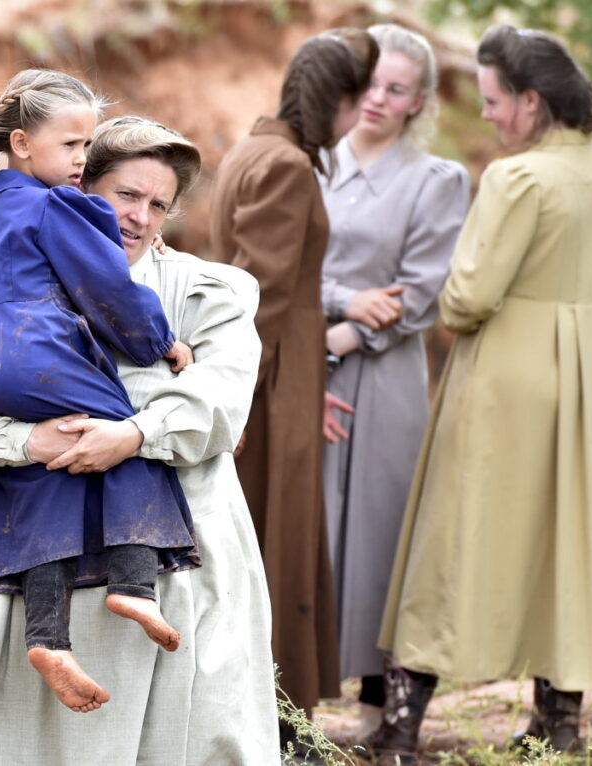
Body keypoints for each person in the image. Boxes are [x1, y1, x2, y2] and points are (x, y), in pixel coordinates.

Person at [0, 116, 280, 765]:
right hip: (22, 549)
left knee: (186, 734)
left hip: (178, 556)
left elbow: (222, 398)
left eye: (158, 203)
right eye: (125, 195)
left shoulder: (208, 294)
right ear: (76, 191)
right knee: (23, 738)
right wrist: (27, 441)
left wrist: (137, 433)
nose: (140, 216)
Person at [367, 24, 592, 763]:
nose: (488, 116)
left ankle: (401, 730)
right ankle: (558, 725)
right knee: (569, 533)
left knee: (456, 531)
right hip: (588, 372)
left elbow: (466, 298)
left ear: (532, 101)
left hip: (502, 375)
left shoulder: (516, 178)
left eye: (495, 102)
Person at [0, 69, 199, 715]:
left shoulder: (3, 199)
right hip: (40, 355)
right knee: (124, 434)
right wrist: (159, 343)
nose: (83, 159)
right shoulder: (58, 205)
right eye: (72, 145)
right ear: (23, 142)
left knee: (51, 471)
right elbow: (108, 289)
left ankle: (48, 638)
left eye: (87, 147)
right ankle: (136, 583)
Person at [209, 27, 379, 734]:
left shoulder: (251, 151)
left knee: (264, 543)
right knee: (281, 542)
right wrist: (242, 402)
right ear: (336, 102)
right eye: (357, 103)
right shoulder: (285, 167)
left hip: (283, 373)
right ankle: (279, 720)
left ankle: (270, 715)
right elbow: (265, 296)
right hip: (271, 385)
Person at [318, 23, 470, 743]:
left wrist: (344, 335)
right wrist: (338, 307)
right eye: (371, 83)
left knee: (383, 533)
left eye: (397, 89)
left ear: (419, 103)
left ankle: (383, 711)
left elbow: (425, 289)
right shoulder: (308, 165)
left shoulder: (436, 181)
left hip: (387, 376)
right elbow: (276, 270)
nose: (379, 99)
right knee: (309, 526)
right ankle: (296, 700)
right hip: (306, 370)